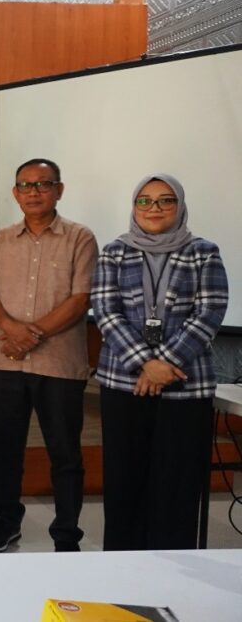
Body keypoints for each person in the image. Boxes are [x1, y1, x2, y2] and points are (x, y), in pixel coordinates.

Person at [91, 174, 227, 550]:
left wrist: (163, 364)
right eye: (145, 201)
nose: (154, 208)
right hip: (124, 383)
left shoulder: (204, 251)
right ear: (134, 207)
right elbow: (105, 310)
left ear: (179, 206)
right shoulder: (114, 251)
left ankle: (171, 569)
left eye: (165, 200)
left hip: (186, 385)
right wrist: (144, 364)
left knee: (177, 484)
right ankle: (122, 564)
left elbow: (210, 311)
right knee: (124, 480)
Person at [0, 159, 98, 553]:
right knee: (5, 448)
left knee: (65, 454)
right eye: (25, 185)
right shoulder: (0, 239)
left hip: (59, 364)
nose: (33, 192)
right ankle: (6, 521)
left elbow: (81, 299)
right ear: (15, 193)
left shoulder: (80, 237)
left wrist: (30, 336)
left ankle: (66, 534)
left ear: (59, 190)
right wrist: (12, 329)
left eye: (43, 184)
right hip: (5, 363)